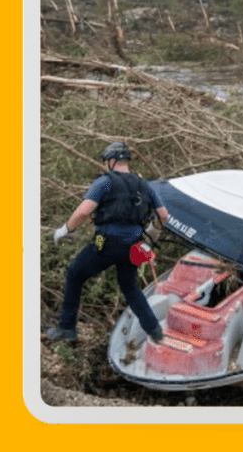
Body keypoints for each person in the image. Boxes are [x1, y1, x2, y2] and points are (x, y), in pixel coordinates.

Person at [46, 142, 169, 342]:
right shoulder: (145, 185)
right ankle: (155, 331)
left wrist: (65, 230)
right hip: (133, 247)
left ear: (112, 162)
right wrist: (151, 234)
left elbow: (83, 212)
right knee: (129, 287)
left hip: (108, 244)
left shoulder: (105, 182)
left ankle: (67, 329)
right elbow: (163, 216)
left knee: (75, 274)